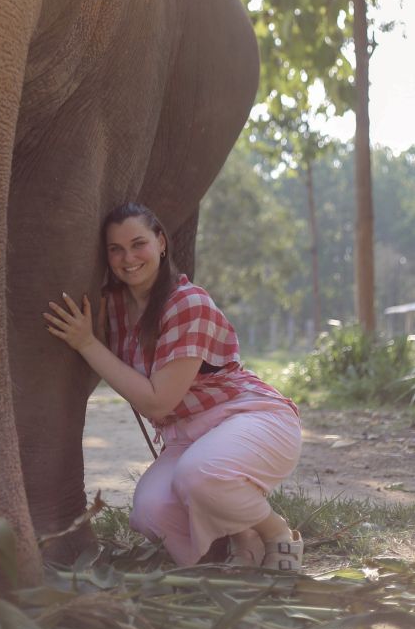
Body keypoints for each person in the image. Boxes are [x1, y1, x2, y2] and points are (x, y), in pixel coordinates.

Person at [44, 201, 304, 570]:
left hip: (251, 418)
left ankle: (276, 532)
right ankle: (241, 537)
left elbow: (158, 403)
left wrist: (87, 343)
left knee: (200, 475)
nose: (128, 258)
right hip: (186, 437)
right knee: (150, 513)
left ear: (161, 242)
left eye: (138, 244)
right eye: (115, 249)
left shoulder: (188, 302)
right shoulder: (113, 307)